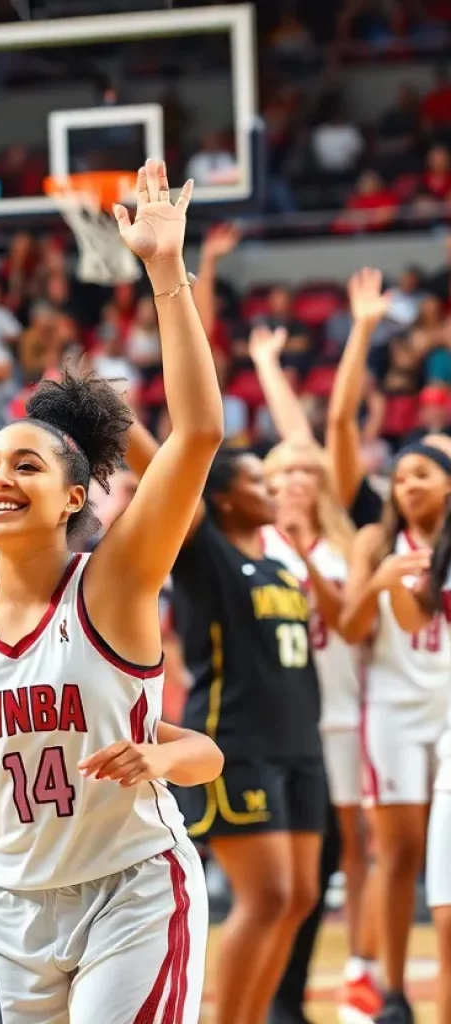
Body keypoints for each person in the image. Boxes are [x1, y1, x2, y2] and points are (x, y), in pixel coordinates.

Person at [0, 160, 223, 1024]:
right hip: (8, 907)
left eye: (26, 464)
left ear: (74, 497)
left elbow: (199, 433)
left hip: (130, 894)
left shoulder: (113, 583)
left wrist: (166, 273)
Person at [131, 432, 328, 1024]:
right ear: (220, 498)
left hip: (300, 748)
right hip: (236, 745)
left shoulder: (278, 563)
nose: (270, 492)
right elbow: (174, 472)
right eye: (255, 483)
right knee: (266, 897)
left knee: (297, 899)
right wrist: (121, 422)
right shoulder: (204, 550)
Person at [249, 323, 380, 1021]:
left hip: (349, 709)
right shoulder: (258, 539)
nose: (297, 477)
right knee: (298, 868)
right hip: (287, 721)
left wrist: (272, 364)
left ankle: (356, 973)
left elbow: (319, 430)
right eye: (283, 472)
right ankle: (281, 990)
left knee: (352, 853)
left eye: (307, 471)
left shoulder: (345, 534)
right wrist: (267, 362)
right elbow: (303, 437)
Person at [340, 442, 451, 1024]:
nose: (407, 485)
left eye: (422, 475)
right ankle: (395, 991)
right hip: (392, 711)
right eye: (401, 476)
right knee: (399, 853)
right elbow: (350, 628)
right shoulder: (376, 542)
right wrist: (380, 581)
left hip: (448, 710)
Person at [386, 504, 451, 1024]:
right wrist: (386, 581)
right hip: (420, 726)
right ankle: (387, 985)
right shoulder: (428, 559)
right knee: (447, 919)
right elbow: (412, 619)